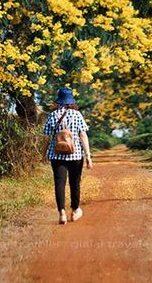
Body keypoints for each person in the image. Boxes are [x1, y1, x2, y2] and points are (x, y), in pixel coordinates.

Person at [42, 87, 93, 225]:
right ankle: (75, 210)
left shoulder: (52, 115)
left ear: (58, 100)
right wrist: (88, 156)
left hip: (56, 155)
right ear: (71, 101)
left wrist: (44, 154)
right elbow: (83, 135)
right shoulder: (77, 115)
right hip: (75, 155)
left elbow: (46, 137)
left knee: (59, 183)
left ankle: (62, 213)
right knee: (74, 183)